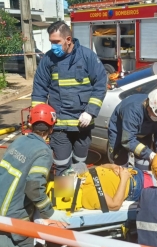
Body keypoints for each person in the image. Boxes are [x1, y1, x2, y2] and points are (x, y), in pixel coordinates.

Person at [31, 21, 107, 176]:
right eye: (51, 42)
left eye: (56, 42)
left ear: (68, 39)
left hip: (82, 125)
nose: (53, 46)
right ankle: (63, 198)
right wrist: (39, 121)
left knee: (79, 165)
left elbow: (100, 83)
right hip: (59, 126)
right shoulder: (48, 59)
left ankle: (78, 196)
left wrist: (91, 112)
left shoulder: (87, 56)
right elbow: (39, 89)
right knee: (62, 166)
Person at [0, 104, 70, 247]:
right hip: (10, 211)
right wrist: (50, 213)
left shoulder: (19, 141)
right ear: (51, 128)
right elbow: (33, 187)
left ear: (30, 123)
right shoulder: (44, 151)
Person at [108, 88, 157, 170]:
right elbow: (127, 140)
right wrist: (149, 154)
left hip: (145, 133)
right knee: (119, 165)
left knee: (144, 165)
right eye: (155, 115)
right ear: (149, 106)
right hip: (121, 130)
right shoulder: (132, 110)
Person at [72, 163, 154, 210]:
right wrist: (124, 179)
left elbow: (100, 167)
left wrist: (112, 166)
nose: (62, 179)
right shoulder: (88, 195)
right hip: (138, 185)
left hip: (135, 172)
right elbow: (115, 205)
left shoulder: (80, 176)